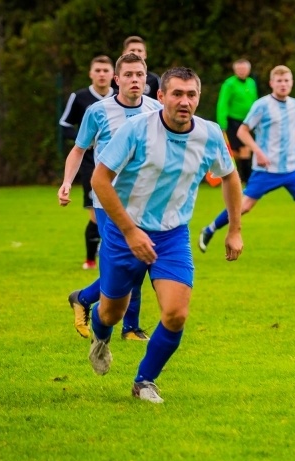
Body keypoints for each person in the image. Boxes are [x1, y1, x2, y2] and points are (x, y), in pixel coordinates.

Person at [89, 66, 243, 403]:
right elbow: (99, 180)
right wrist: (130, 232)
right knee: (111, 314)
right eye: (177, 94)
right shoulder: (136, 130)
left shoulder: (210, 134)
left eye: (191, 95)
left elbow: (230, 177)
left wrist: (234, 230)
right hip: (123, 233)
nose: (184, 101)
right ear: (160, 97)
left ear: (198, 98)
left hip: (172, 236)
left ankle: (144, 380)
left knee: (176, 313)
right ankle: (99, 337)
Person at [58, 53, 162, 342]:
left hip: (144, 200)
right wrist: (66, 182)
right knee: (127, 262)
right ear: (117, 79)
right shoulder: (98, 111)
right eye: (128, 75)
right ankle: (123, 323)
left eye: (139, 75)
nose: (134, 80)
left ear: (146, 78)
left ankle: (90, 302)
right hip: (107, 200)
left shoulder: (156, 109)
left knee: (137, 261)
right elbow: (79, 149)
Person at [198, 65, 295, 261]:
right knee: (244, 206)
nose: (283, 84)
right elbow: (242, 131)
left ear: (291, 83)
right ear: (271, 83)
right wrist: (259, 151)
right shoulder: (262, 105)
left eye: (287, 81)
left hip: (292, 167)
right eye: (279, 81)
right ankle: (210, 228)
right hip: (266, 169)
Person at [59, 55, 115, 269]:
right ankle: (92, 258)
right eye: (98, 70)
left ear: (113, 75)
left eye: (105, 70)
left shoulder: (120, 98)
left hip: (119, 166)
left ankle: (109, 251)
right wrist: (84, 138)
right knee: (95, 213)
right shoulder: (81, 97)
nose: (102, 74)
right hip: (91, 164)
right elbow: (64, 124)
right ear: (90, 73)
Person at [216, 59, 258, 183]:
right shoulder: (229, 84)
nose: (242, 71)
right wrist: (222, 123)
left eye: (244, 69)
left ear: (248, 70)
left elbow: (255, 102)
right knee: (236, 151)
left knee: (245, 150)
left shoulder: (251, 82)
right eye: (239, 69)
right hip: (233, 122)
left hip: (248, 121)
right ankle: (241, 178)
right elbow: (222, 104)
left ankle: (244, 178)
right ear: (235, 70)